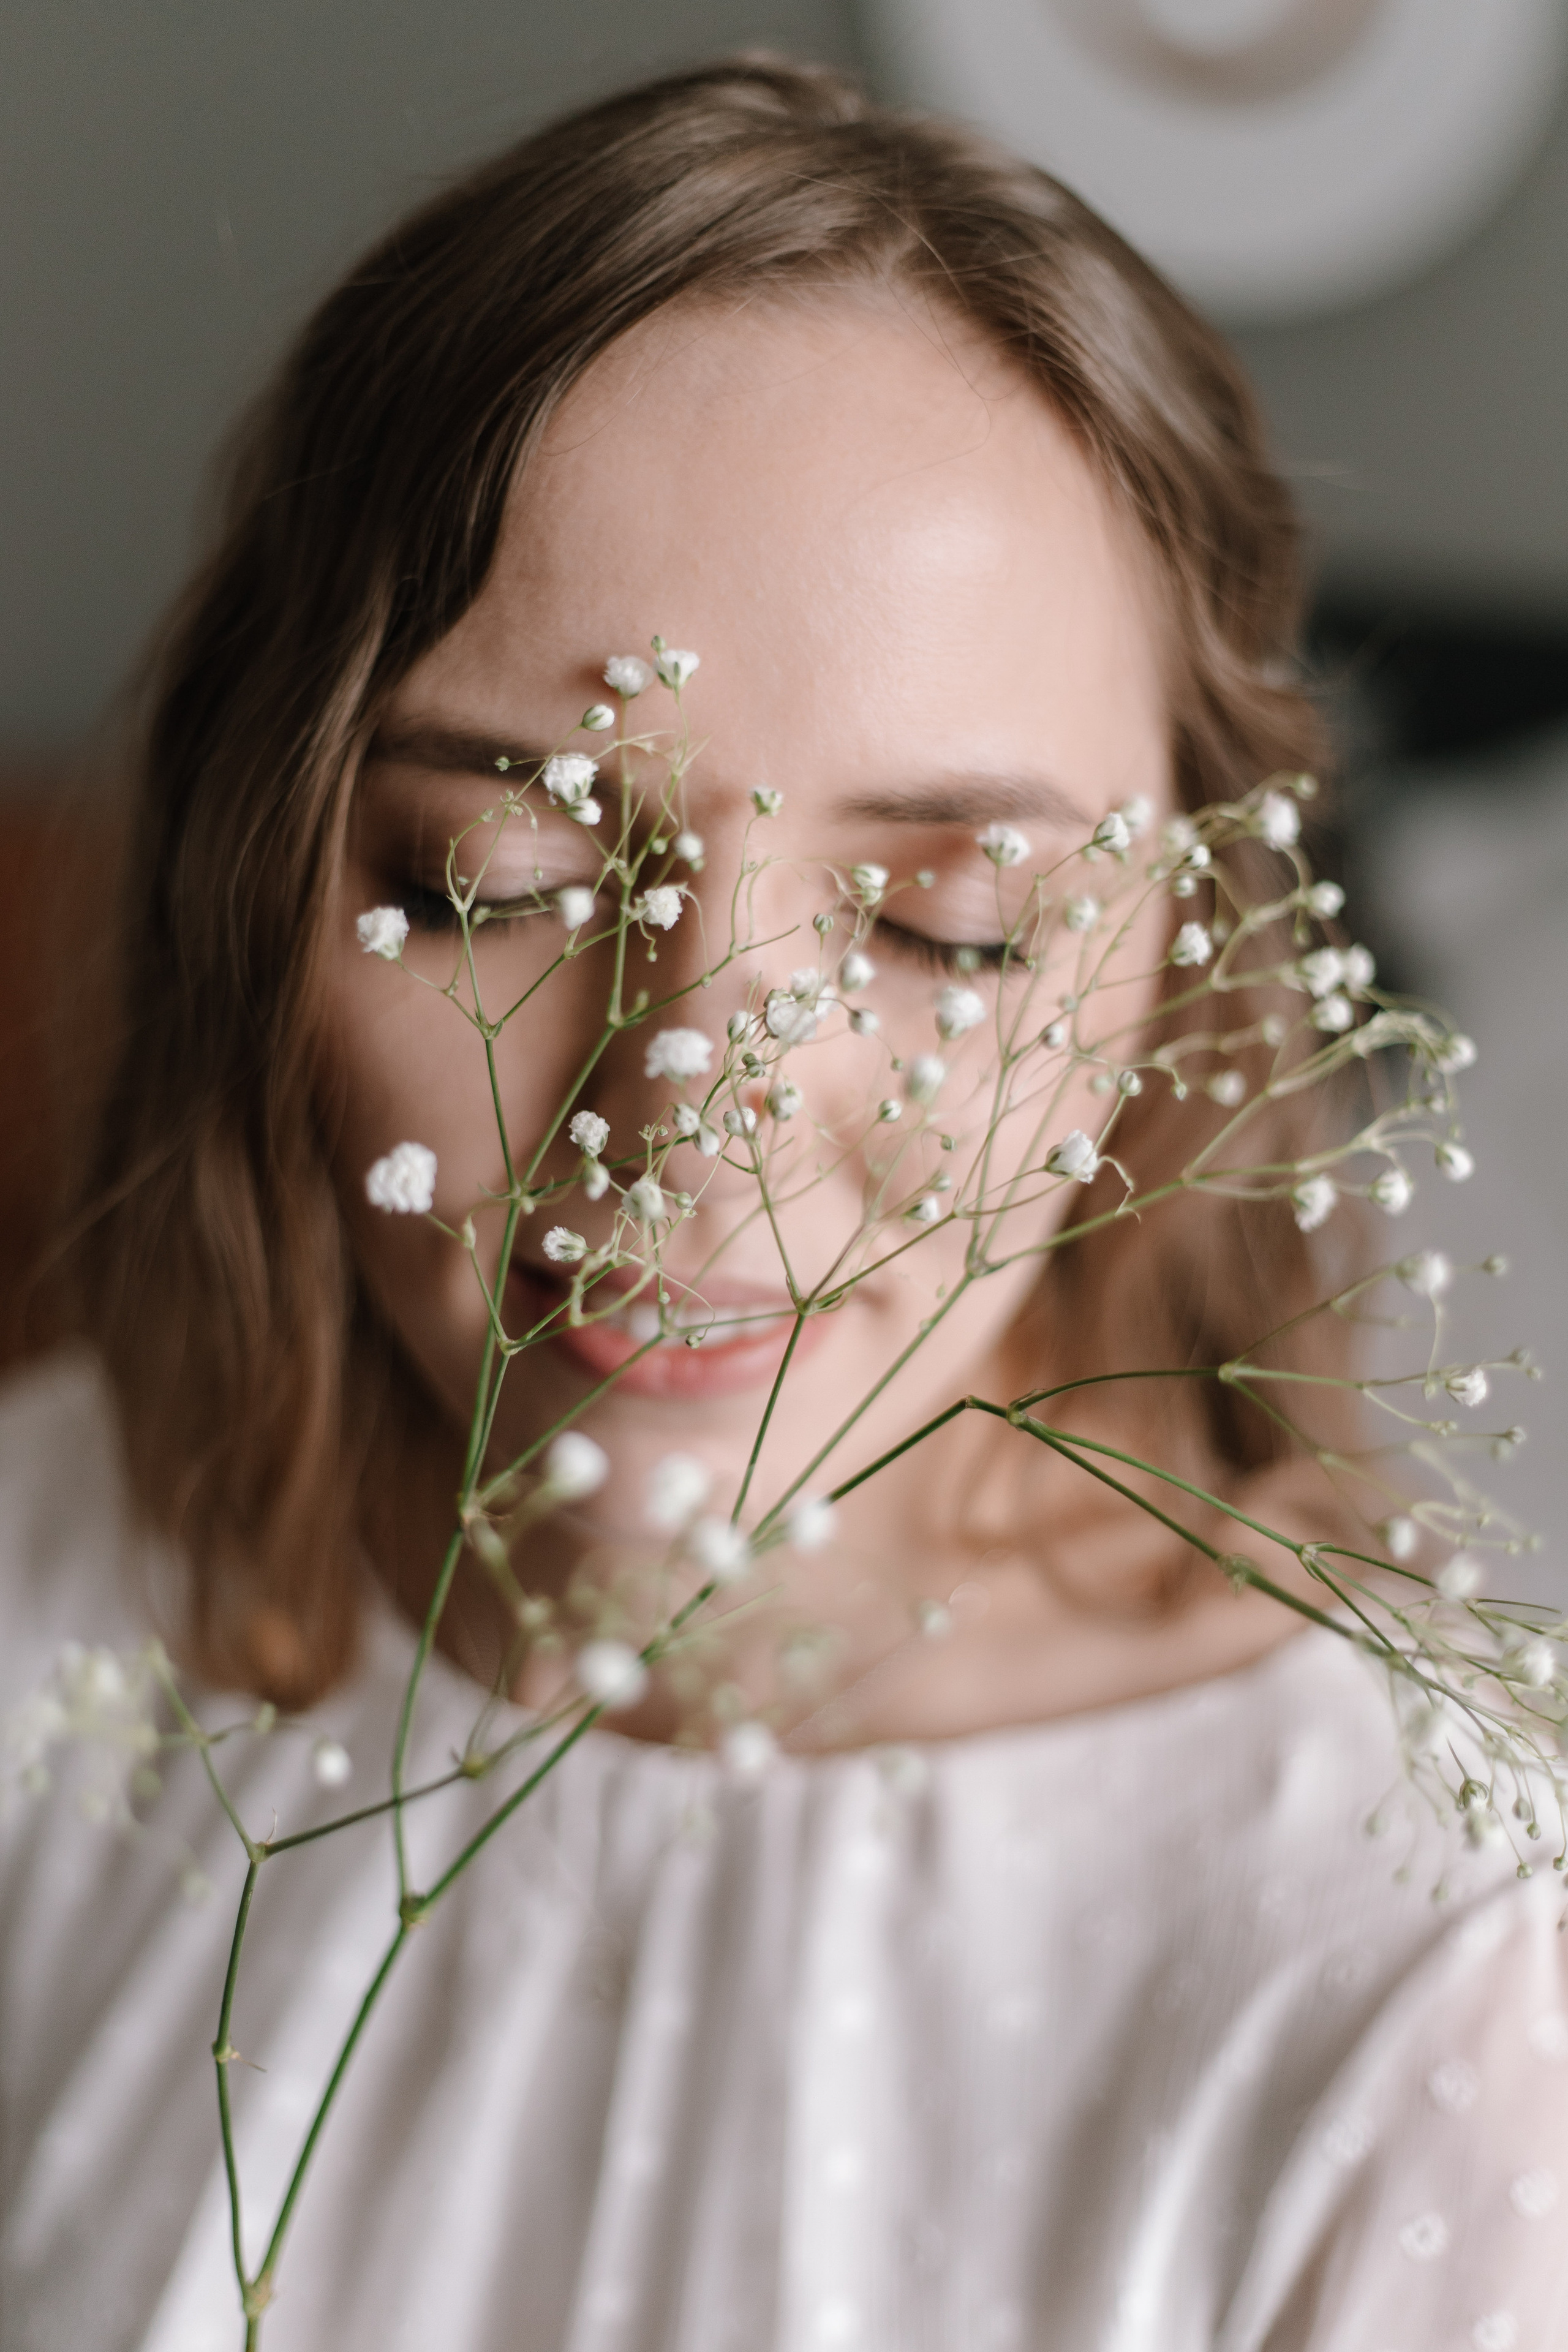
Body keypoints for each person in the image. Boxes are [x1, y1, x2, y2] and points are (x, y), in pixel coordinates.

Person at [2, 56, 1564, 2352]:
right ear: (270, 872)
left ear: (1181, 976)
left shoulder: (1438, 2000)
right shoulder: (51, 1599)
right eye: (500, 879)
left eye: (950, 925)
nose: (699, 1104)